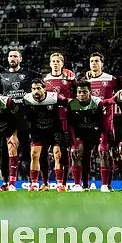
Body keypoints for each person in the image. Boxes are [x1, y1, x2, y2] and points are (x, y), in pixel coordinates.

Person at [0, 49, 40, 190]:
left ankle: (32, 182)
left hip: (24, 119)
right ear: (8, 58)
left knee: (27, 151)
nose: (12, 58)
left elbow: (44, 81)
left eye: (15, 56)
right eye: (10, 56)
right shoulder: (2, 76)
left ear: (20, 59)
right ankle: (5, 182)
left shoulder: (29, 74)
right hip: (8, 119)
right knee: (5, 151)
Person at [22, 79, 70, 192]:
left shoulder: (54, 97)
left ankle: (60, 184)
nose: (36, 91)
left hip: (54, 130)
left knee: (58, 154)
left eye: (39, 88)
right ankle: (34, 184)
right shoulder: (27, 99)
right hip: (38, 131)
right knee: (34, 154)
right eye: (34, 89)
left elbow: (68, 103)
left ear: (44, 89)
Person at [67, 81, 111, 191]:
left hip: (97, 132)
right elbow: (70, 125)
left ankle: (105, 185)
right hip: (81, 133)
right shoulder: (72, 104)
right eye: (79, 92)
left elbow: (104, 124)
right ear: (76, 93)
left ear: (90, 92)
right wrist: (73, 145)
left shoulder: (97, 103)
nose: (82, 94)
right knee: (76, 153)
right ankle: (78, 185)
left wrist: (103, 142)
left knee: (103, 153)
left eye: (84, 92)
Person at [85, 52, 119, 191]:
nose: (94, 63)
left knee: (104, 152)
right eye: (92, 61)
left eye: (97, 61)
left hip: (105, 122)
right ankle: (83, 185)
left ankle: (106, 184)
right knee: (84, 153)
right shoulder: (85, 80)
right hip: (87, 122)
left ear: (102, 63)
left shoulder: (110, 79)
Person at [43, 52, 76, 185]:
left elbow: (77, 93)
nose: (56, 63)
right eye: (53, 61)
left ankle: (63, 183)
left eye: (58, 61)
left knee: (63, 151)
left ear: (62, 64)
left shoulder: (69, 78)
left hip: (65, 119)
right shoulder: (45, 80)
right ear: (50, 64)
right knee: (44, 151)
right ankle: (44, 182)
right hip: (49, 119)